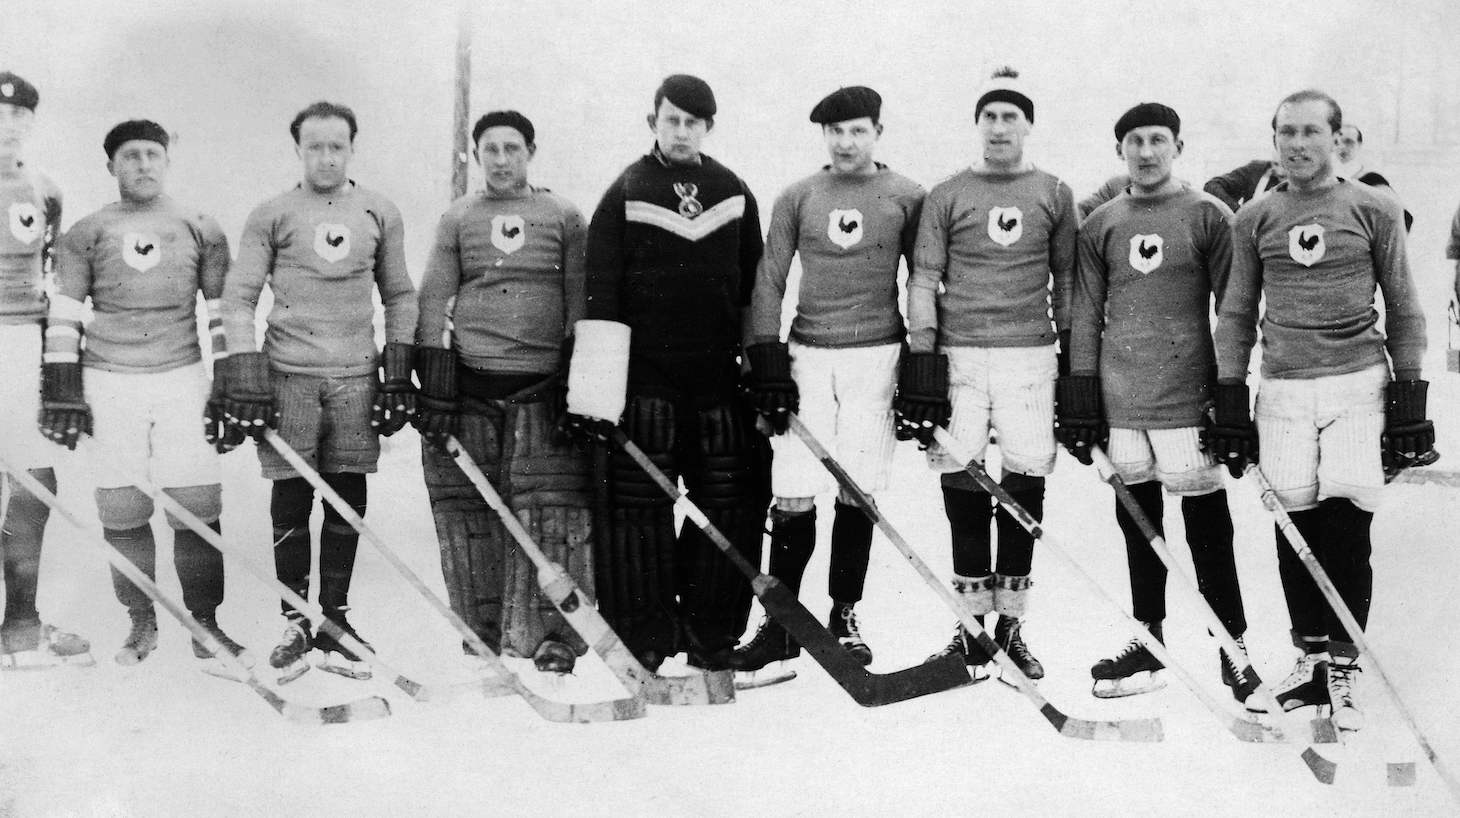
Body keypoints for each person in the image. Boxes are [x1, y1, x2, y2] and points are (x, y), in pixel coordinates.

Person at [1208, 90, 1430, 732]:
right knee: (1293, 523)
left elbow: (1406, 305)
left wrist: (1410, 396)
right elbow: (1238, 311)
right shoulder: (1253, 217)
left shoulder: (1374, 207)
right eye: (1286, 133)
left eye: (1310, 132)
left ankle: (1343, 667)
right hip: (1282, 389)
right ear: (1273, 139)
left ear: (1336, 139)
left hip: (1357, 382)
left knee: (1345, 523)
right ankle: (1309, 662)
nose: (1297, 144)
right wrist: (1230, 396)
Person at [562, 74, 768, 672]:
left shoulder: (732, 191)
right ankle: (644, 636)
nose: (681, 130)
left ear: (709, 127)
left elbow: (755, 288)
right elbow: (600, 293)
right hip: (644, 378)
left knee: (728, 501)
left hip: (715, 379)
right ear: (652, 120)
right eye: (671, 119)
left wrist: (761, 368)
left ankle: (711, 634)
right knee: (636, 508)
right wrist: (595, 395)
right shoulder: (627, 189)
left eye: (693, 121)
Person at [1059, 103, 1250, 701]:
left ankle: (1233, 647)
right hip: (1121, 402)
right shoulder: (1102, 224)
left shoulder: (1208, 214)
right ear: (1120, 150)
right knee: (1138, 523)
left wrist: (1230, 397)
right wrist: (1083, 395)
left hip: (1185, 399)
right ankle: (1149, 641)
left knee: (1206, 526)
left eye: (1158, 140)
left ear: (1178, 147)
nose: (1146, 151)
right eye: (1135, 141)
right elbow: (1085, 314)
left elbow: (1234, 311)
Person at [220, 101, 417, 682]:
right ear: (298, 149)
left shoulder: (379, 210)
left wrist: (398, 369)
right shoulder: (273, 213)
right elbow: (238, 297)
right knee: (290, 495)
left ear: (352, 147)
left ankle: (335, 618)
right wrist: (248, 372)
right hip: (289, 377)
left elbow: (401, 294)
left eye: (337, 146)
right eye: (315, 147)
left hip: (356, 376)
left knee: (346, 491)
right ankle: (296, 621)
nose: (326, 157)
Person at [41, 119, 243, 673]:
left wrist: (229, 378)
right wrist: (62, 385)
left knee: (197, 505)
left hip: (182, 377)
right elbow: (65, 311)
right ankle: (140, 620)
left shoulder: (200, 225)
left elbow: (223, 310)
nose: (144, 164)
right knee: (124, 508)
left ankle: (206, 623)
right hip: (108, 380)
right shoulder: (86, 232)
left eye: (153, 154)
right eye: (131, 156)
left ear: (168, 159)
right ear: (111, 166)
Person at [736, 86, 923, 680]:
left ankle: (844, 614)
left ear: (878, 132)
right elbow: (769, 279)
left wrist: (923, 365)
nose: (846, 142)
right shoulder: (798, 195)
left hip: (877, 355)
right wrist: (766, 360)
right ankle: (783, 627)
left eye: (858, 131)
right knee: (791, 491)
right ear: (824, 136)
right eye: (835, 131)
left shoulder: (907, 196)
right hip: (808, 355)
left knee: (857, 491)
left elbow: (924, 280)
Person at [901, 67, 1076, 681]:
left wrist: (1075, 363)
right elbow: (922, 278)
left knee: (1026, 480)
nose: (999, 127)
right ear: (977, 124)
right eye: (990, 117)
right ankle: (971, 628)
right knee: (962, 479)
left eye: (1011, 117)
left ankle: (1011, 628)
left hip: (1029, 354)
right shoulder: (947, 193)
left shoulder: (1053, 191)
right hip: (962, 356)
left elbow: (1069, 281)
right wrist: (922, 358)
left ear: (1028, 125)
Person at [412, 111, 594, 674]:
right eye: (489, 149)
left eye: (511, 148)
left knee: (554, 514)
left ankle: (556, 636)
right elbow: (433, 300)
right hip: (472, 390)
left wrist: (574, 379)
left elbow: (580, 301)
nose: (500, 159)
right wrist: (435, 383)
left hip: (543, 392)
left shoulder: (563, 215)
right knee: (472, 512)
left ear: (531, 151)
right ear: (476, 155)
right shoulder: (458, 218)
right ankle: (483, 629)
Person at [0, 70, 91, 668]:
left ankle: (21, 624)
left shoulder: (46, 190)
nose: (8, 125)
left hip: (22, 343)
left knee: (34, 480)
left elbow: (58, 278)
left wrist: (62, 362)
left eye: (19, 117)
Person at [1335, 124, 1412, 231]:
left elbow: (1404, 217)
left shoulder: (1371, 179)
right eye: (1337, 142)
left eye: (1349, 142)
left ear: (1359, 144)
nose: (1342, 147)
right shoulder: (1327, 180)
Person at [1203, 154, 1284, 212]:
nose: (1280, 172)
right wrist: (1239, 213)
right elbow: (1212, 186)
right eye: (1276, 164)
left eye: (1285, 165)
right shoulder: (1258, 170)